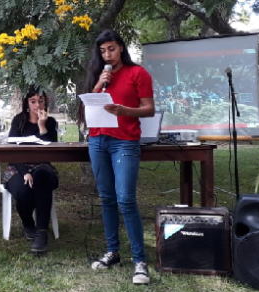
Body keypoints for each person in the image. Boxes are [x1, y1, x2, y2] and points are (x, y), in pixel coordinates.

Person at [82, 29, 155, 284]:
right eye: (102, 51)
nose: (107, 54)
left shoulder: (138, 73)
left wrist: (124, 110)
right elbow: (90, 106)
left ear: (121, 48)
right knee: (107, 198)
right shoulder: (100, 76)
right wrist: (101, 82)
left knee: (125, 199)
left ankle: (139, 261)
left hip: (124, 141)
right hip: (98, 141)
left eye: (111, 49)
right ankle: (113, 252)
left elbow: (149, 109)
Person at [3, 86, 59, 253]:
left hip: (42, 166)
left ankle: (42, 233)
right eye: (33, 101)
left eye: (40, 101)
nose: (37, 105)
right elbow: (12, 151)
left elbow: (51, 152)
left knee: (42, 177)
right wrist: (25, 172)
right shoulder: (18, 120)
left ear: (45, 102)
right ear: (27, 103)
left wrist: (42, 127)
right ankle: (28, 221)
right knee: (24, 190)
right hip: (18, 166)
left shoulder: (50, 122)